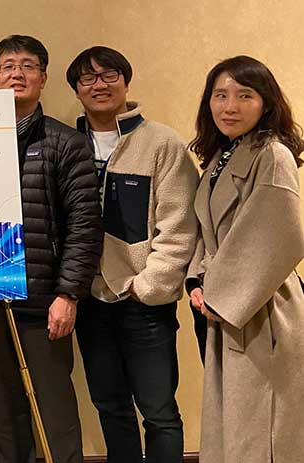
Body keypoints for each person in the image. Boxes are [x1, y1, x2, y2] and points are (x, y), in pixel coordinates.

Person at [0, 35, 102, 463]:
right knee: (3, 410)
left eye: (27, 66)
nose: (16, 74)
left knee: (54, 409)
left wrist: (68, 294)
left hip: (46, 302)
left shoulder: (66, 143)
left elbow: (84, 226)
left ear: (42, 78)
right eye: (7, 66)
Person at [66, 46, 198, 463]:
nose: (99, 85)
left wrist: (148, 287)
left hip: (143, 302)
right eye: (87, 79)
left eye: (109, 75)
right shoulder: (68, 144)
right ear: (76, 90)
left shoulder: (161, 142)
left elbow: (179, 227)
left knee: (159, 412)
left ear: (126, 81)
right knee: (111, 407)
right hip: (88, 300)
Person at [186, 55, 304, 463]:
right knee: (233, 417)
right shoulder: (222, 156)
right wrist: (196, 283)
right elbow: (207, 231)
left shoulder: (273, 154)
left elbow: (280, 233)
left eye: (244, 95)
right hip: (227, 305)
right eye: (220, 95)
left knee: (261, 422)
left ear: (266, 102)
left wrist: (219, 296)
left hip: (262, 304)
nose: (229, 106)